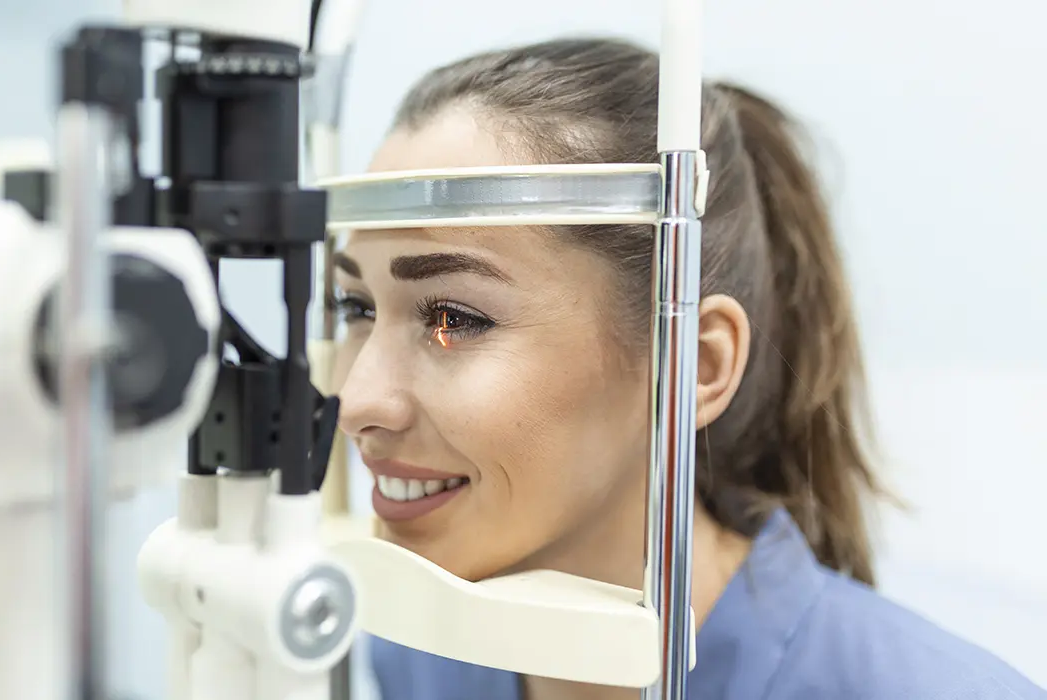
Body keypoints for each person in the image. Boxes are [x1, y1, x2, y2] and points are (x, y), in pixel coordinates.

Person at [329, 37, 1046, 700]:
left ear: (693, 366)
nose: (357, 398)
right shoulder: (423, 654)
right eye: (356, 308)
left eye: (453, 319)